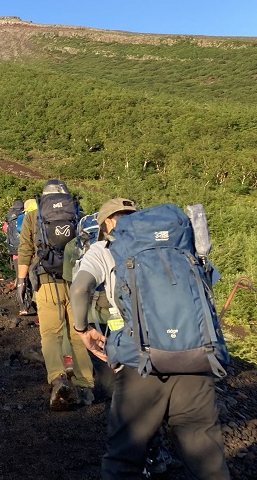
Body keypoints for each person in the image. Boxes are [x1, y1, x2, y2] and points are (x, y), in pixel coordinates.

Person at [71, 198, 229, 480]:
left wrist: (82, 330)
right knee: (206, 458)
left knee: (123, 458)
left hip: (141, 361)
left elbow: (80, 287)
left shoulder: (106, 247)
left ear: (107, 222)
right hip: (196, 357)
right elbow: (210, 282)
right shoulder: (181, 244)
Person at [16, 179, 95, 410]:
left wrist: (21, 281)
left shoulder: (34, 215)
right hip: (78, 280)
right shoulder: (77, 213)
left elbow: (25, 251)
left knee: (51, 333)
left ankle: (58, 378)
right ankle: (85, 383)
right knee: (79, 331)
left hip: (45, 279)